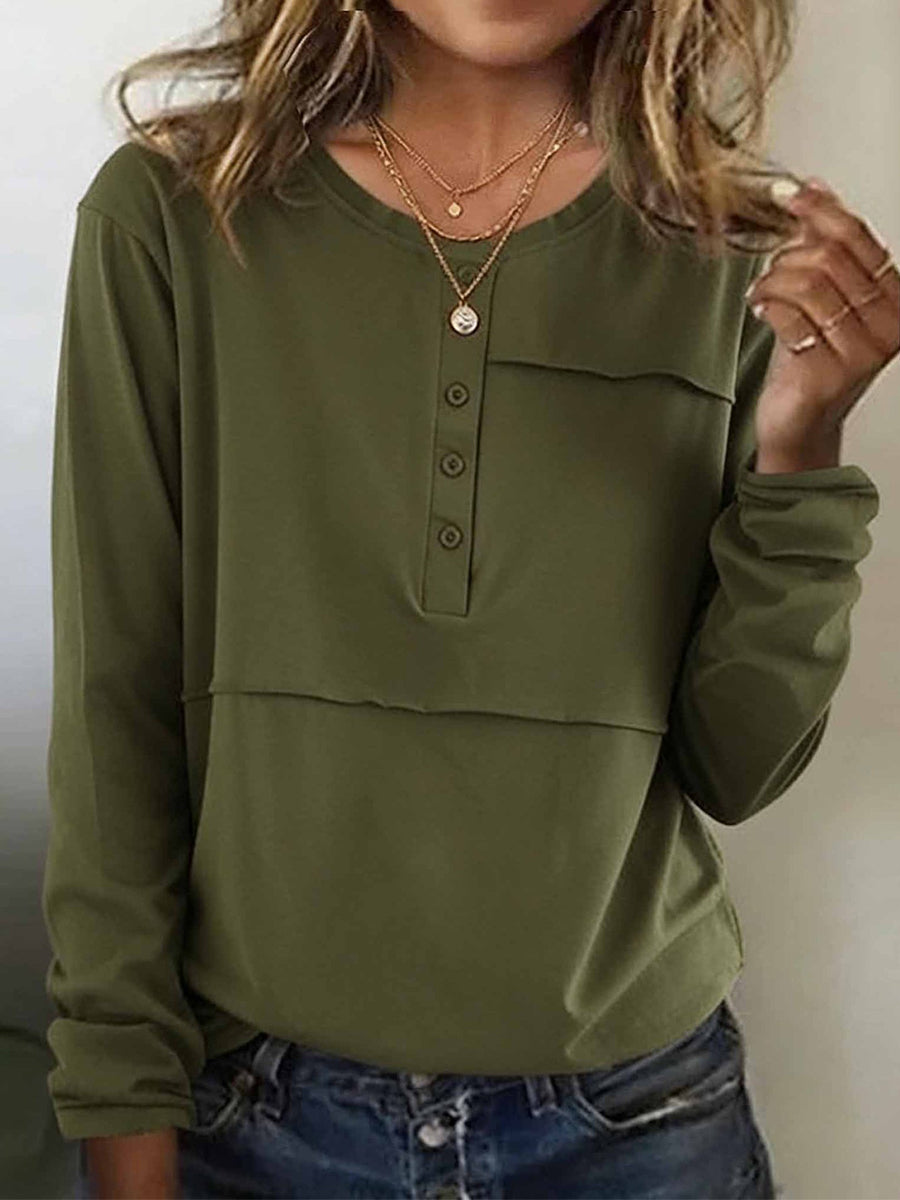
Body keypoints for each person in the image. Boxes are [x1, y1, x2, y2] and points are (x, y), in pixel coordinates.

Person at [43, 0, 897, 1197]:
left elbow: (736, 764)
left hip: (637, 1125)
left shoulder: (739, 252)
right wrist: (121, 1109)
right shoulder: (178, 215)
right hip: (251, 1117)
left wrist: (802, 447)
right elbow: (113, 710)